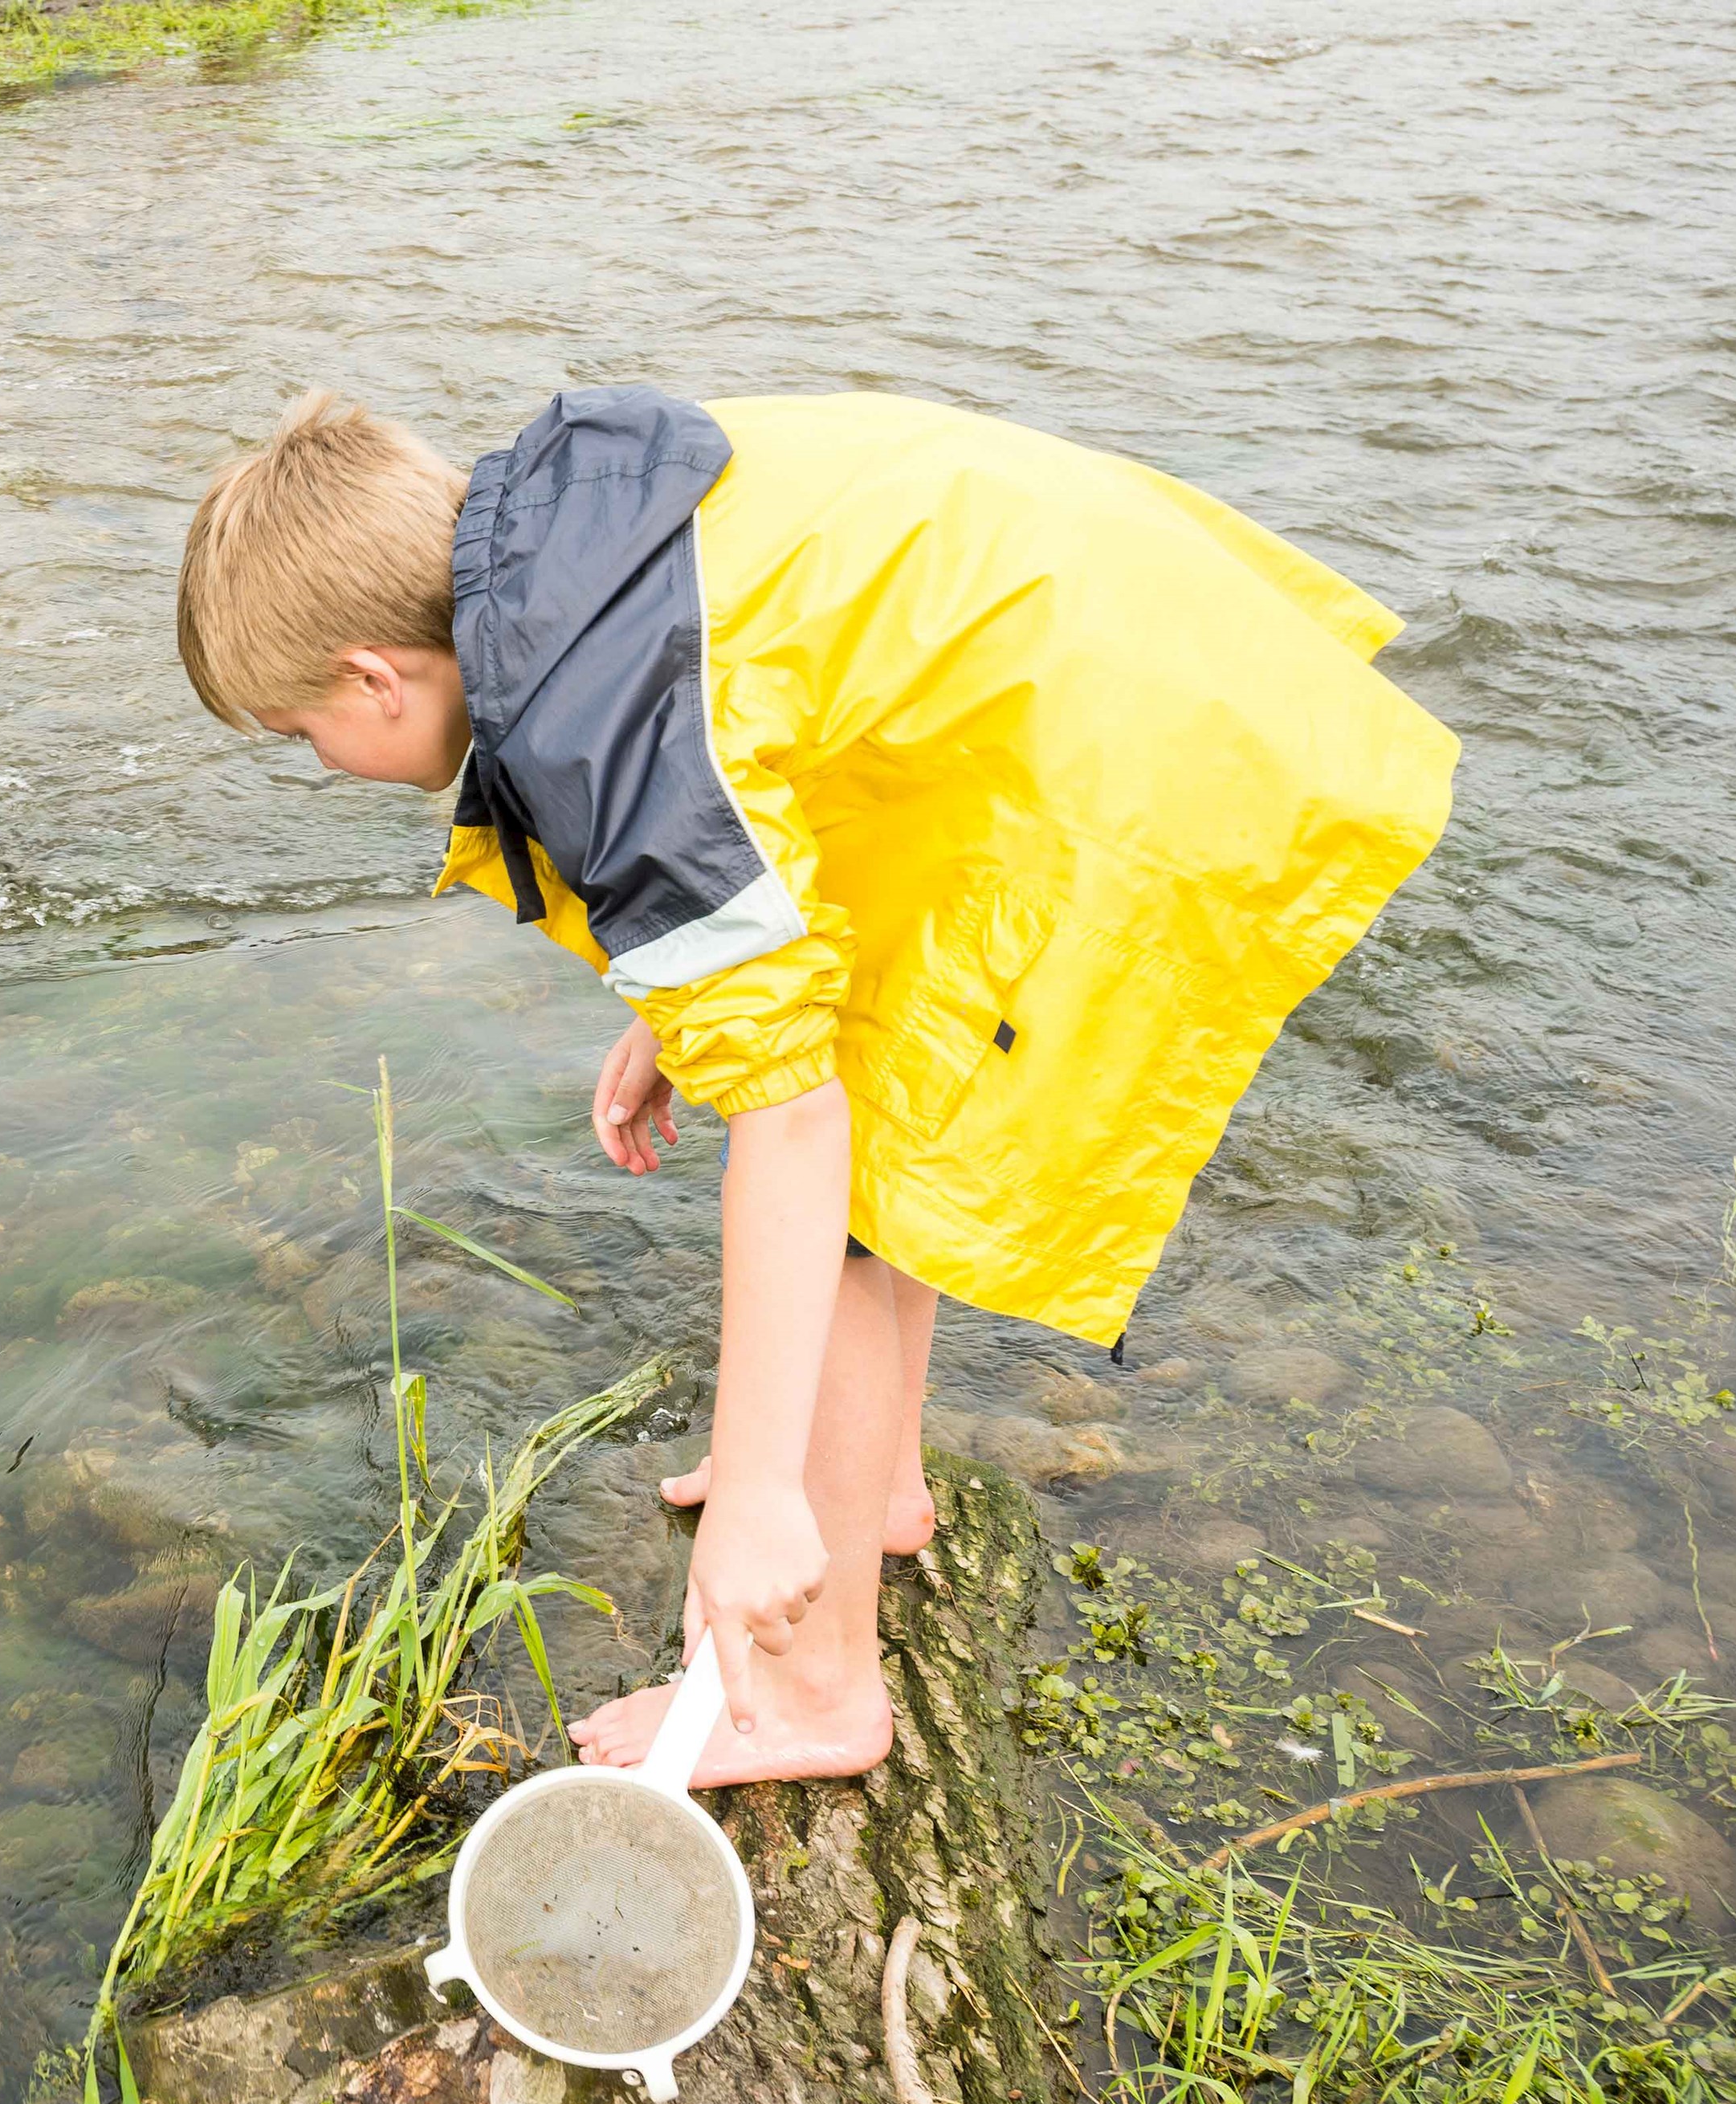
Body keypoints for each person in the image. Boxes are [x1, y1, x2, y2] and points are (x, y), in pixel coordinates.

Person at [173, 388, 1456, 1787]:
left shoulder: (597, 730)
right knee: (876, 1104)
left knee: (857, 1185)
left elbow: (790, 1122)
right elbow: (762, 765)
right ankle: (877, 1485)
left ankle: (808, 1693)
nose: (318, 764)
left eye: (300, 733)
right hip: (1099, 661)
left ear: (375, 677)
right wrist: (684, 1004)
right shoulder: (570, 552)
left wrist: (758, 1497)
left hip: (1126, 752)